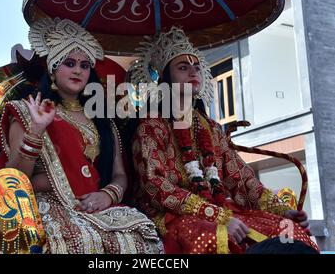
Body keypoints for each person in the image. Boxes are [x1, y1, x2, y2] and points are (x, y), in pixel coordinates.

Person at [128, 26, 318, 254]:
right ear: (166, 77)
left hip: (220, 208)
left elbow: (240, 177)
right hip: (172, 215)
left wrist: (282, 211)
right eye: (183, 67)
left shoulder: (212, 128)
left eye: (196, 67)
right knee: (216, 240)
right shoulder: (152, 125)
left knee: (290, 232)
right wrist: (216, 216)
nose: (193, 73)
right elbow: (156, 186)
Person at [0, 17, 163, 254]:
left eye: (84, 65)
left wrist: (107, 195)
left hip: (99, 206)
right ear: (53, 68)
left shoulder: (103, 121)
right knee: (80, 241)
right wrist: (37, 130)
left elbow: (120, 175)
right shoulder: (29, 110)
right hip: (51, 206)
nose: (78, 70)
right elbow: (16, 178)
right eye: (69, 63)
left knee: (144, 238)